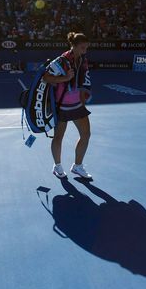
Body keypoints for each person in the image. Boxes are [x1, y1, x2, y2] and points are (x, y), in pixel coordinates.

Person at [43, 32, 92, 180]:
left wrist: (84, 94)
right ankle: (57, 166)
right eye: (83, 47)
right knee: (59, 137)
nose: (85, 50)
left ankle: (77, 166)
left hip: (77, 104)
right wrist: (65, 78)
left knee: (86, 134)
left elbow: (83, 80)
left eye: (86, 48)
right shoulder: (62, 60)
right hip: (62, 105)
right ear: (75, 46)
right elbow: (45, 77)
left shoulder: (82, 59)